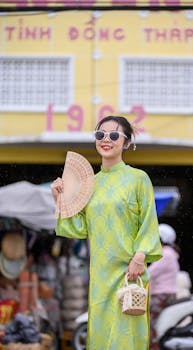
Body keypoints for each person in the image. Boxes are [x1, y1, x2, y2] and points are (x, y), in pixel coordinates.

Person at [51, 115, 162, 350]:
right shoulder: (91, 184)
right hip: (100, 275)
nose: (106, 140)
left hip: (130, 273)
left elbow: (149, 221)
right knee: (100, 337)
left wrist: (140, 256)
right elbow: (80, 228)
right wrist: (59, 199)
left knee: (126, 337)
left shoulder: (138, 179)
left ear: (127, 141)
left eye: (113, 135)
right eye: (100, 135)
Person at [148, 223, 180, 350]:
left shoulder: (165, 255)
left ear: (162, 239)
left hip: (162, 295)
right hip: (167, 294)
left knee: (148, 323)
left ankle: (154, 346)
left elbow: (149, 273)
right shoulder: (170, 253)